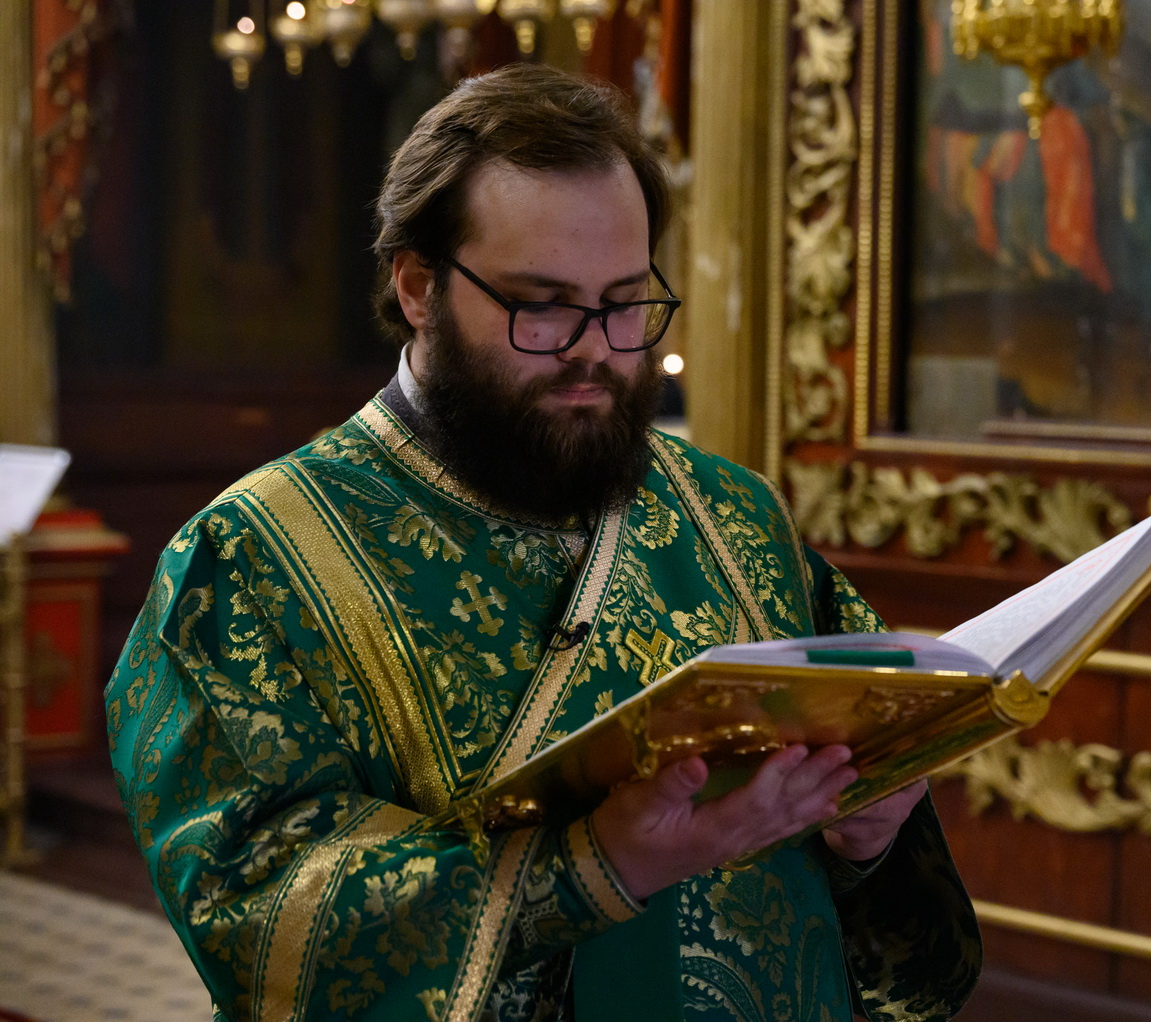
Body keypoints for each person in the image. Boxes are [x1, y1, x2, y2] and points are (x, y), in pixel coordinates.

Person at [105, 63, 981, 1022]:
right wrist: (592, 868)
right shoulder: (251, 561)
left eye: (626, 301)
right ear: (419, 287)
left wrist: (868, 839)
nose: (595, 348)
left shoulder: (736, 517)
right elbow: (257, 910)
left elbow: (863, 862)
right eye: (544, 304)